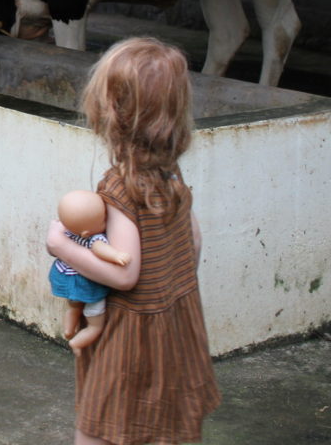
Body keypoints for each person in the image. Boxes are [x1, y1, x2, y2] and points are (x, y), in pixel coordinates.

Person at [45, 37, 220, 445]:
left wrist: (62, 246)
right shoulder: (170, 175)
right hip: (176, 320)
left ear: (112, 111)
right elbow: (193, 240)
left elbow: (124, 273)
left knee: (101, 426)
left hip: (131, 333)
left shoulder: (122, 187)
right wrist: (172, 290)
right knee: (169, 424)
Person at [48, 188, 130, 355]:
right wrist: (116, 255)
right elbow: (100, 249)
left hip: (64, 276)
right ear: (86, 232)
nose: (106, 222)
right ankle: (78, 342)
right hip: (86, 284)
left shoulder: (66, 230)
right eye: (104, 219)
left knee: (74, 306)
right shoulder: (95, 237)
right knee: (95, 324)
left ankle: (69, 330)